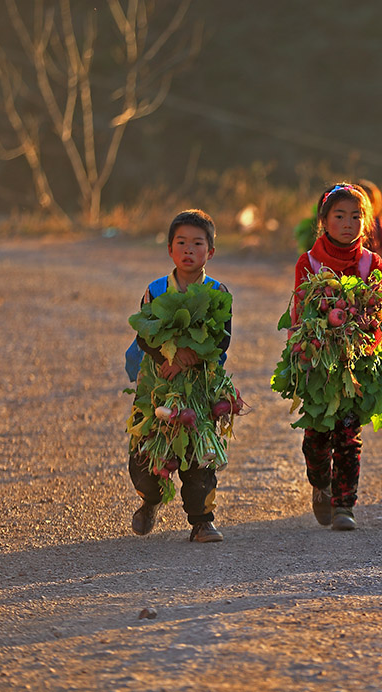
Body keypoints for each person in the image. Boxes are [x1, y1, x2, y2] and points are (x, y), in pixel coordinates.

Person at [127, 209, 231, 543]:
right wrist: (167, 357)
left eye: (197, 243)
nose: (189, 250)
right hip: (158, 384)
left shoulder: (219, 292)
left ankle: (202, 521)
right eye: (181, 242)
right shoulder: (156, 290)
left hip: (199, 385)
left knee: (198, 452)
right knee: (148, 449)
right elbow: (144, 334)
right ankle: (150, 500)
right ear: (170, 250)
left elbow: (221, 339)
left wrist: (187, 361)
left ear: (210, 252)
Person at [291, 182, 382, 531]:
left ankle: (344, 505)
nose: (348, 223)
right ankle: (321, 484)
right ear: (324, 221)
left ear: (366, 221)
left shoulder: (370, 262)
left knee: (349, 435)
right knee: (317, 439)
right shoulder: (310, 262)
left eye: (356, 216)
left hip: (355, 365)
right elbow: (302, 312)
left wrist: (370, 335)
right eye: (340, 215)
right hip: (318, 364)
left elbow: (381, 312)